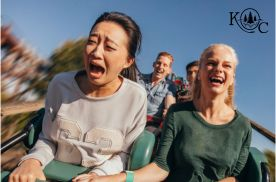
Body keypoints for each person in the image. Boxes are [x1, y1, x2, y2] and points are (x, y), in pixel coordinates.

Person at [9, 11, 147, 182]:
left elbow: (124, 154)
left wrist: (98, 175)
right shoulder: (60, 85)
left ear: (128, 61)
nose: (96, 52)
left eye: (109, 47)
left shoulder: (136, 97)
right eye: (91, 42)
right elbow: (47, 139)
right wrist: (32, 161)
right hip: (49, 172)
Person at [88, 43, 252, 182]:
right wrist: (114, 178)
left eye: (227, 65)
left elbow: (236, 176)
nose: (218, 69)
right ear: (200, 72)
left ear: (232, 76)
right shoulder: (178, 114)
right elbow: (161, 166)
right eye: (211, 63)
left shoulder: (242, 126)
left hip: (151, 125)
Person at [138, 52, 176, 129]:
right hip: (132, 118)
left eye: (165, 65)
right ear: (153, 64)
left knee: (145, 140)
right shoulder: (139, 79)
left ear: (169, 70)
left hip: (151, 124)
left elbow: (169, 105)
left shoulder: (170, 86)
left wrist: (168, 111)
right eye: (158, 63)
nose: (160, 67)